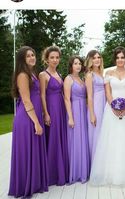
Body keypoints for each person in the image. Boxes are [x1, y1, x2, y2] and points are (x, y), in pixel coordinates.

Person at [90, 46, 125, 186]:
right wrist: (113, 106)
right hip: (111, 109)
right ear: (114, 59)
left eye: (122, 57)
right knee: (111, 139)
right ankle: (111, 173)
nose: (120, 60)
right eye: (117, 57)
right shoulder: (108, 72)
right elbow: (108, 92)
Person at [9, 46, 48, 198]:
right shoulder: (22, 75)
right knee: (27, 151)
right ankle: (26, 185)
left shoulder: (32, 73)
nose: (32, 57)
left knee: (34, 150)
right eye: (28, 56)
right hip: (27, 119)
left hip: (33, 116)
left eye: (33, 54)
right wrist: (37, 123)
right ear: (22, 60)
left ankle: (35, 182)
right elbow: (26, 100)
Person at [39, 46, 69, 186]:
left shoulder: (59, 74)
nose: (55, 60)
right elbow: (42, 95)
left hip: (60, 109)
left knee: (59, 138)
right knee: (53, 139)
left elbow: (63, 94)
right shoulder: (43, 75)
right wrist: (46, 113)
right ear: (46, 59)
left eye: (57, 57)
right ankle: (52, 175)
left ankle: (61, 172)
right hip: (51, 108)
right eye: (52, 57)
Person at [64, 56, 90, 184]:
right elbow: (67, 99)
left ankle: (84, 170)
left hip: (83, 111)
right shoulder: (68, 79)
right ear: (71, 65)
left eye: (79, 63)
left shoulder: (81, 78)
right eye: (75, 63)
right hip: (74, 110)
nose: (78, 66)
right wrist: (70, 117)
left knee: (83, 139)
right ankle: (76, 172)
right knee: (75, 140)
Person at [85, 50, 106, 163]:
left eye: (98, 57)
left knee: (104, 134)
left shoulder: (101, 74)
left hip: (104, 105)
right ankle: (95, 164)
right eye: (94, 58)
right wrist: (92, 114)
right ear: (90, 60)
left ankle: (103, 164)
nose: (97, 59)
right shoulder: (90, 75)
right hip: (96, 106)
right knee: (96, 134)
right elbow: (89, 96)